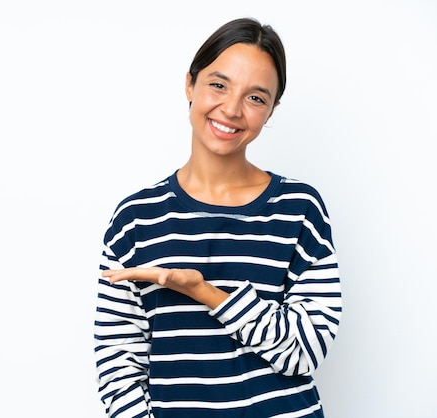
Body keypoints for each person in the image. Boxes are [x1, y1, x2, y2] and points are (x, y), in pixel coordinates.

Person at [93, 17, 342, 418]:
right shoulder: (135, 219)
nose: (231, 109)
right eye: (218, 85)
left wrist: (207, 293)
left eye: (256, 98)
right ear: (190, 84)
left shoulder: (299, 207)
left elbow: (305, 353)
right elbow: (119, 368)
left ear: (271, 111)